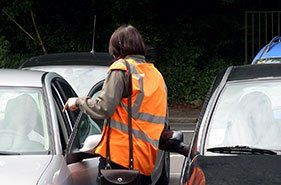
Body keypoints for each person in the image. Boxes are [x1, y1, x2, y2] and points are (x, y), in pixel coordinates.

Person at [63, 24, 167, 184]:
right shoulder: (155, 75)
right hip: (145, 161)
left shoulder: (122, 69)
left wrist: (77, 101)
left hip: (120, 159)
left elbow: (103, 108)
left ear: (117, 49)